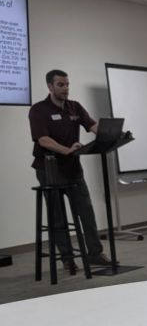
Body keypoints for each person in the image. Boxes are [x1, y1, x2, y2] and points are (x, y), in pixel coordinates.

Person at [28, 69, 111, 272]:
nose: (65, 88)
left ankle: (95, 254)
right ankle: (67, 258)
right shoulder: (38, 110)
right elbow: (43, 140)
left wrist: (113, 135)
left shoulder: (75, 107)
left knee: (86, 211)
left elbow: (93, 125)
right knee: (58, 217)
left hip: (73, 168)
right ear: (50, 86)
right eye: (60, 85)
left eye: (67, 84)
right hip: (49, 169)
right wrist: (66, 150)